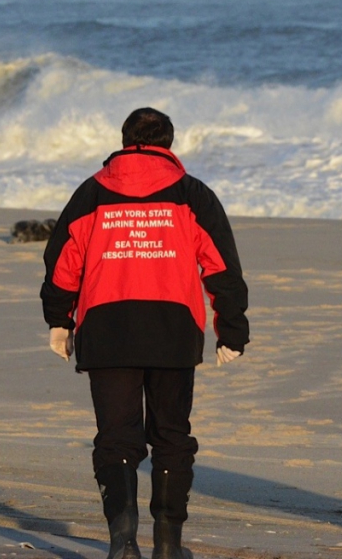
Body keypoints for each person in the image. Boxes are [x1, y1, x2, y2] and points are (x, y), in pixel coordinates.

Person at [40, 107, 250, 559]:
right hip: (173, 329)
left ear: (124, 140)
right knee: (171, 436)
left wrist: (60, 320)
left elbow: (62, 262)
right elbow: (221, 266)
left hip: (107, 328)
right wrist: (231, 329)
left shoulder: (92, 193)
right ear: (168, 143)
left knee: (116, 438)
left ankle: (123, 544)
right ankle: (168, 546)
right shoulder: (192, 194)